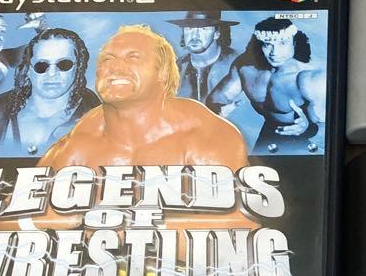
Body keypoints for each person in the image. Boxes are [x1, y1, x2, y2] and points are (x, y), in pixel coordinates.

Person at [39, 24, 249, 171]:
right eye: (107, 59)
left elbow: (239, 218)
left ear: (163, 72)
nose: (115, 68)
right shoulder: (75, 146)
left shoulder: (206, 136)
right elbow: (25, 216)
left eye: (133, 58)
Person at [0, 27, 100, 154]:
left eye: (64, 64)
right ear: (28, 70)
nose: (52, 73)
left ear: (78, 68)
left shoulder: (103, 119)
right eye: (41, 65)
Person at [205, 17, 325, 153]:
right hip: (268, 134)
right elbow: (216, 99)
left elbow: (331, 131)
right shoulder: (245, 67)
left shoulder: (309, 78)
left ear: (294, 43)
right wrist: (218, 110)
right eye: (267, 44)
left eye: (282, 43)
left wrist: (307, 129)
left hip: (305, 142)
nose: (275, 52)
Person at [167, 10, 239, 104]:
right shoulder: (175, 70)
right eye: (189, 28)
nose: (195, 36)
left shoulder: (239, 65)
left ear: (216, 34)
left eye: (203, 29)